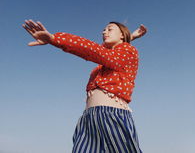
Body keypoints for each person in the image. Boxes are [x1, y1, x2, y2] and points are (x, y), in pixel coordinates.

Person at [22, 19, 147, 153]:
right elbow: (100, 52)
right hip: (89, 118)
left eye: (110, 29)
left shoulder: (129, 51)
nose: (104, 32)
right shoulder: (105, 64)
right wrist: (131, 36)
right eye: (104, 30)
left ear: (122, 34)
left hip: (111, 115)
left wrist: (55, 39)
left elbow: (97, 51)